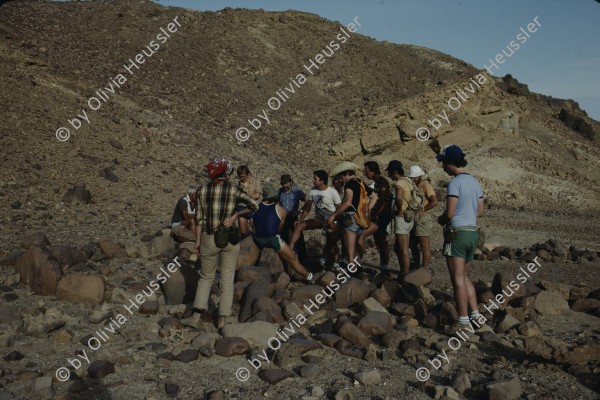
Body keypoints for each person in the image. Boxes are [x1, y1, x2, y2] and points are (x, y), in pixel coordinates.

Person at [192, 157, 258, 329]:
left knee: (206, 277)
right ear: (226, 172)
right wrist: (236, 216)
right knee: (227, 278)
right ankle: (222, 319)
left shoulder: (202, 190)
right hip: (229, 237)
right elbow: (254, 205)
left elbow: (198, 219)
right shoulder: (233, 189)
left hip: (208, 236)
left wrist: (197, 241)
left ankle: (196, 316)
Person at [435, 145, 485, 334]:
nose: (442, 167)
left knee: (456, 278)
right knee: (465, 276)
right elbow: (480, 211)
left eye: (443, 163)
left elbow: (449, 213)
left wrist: (441, 220)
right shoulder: (475, 182)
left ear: (450, 163)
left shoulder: (455, 183)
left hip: (457, 232)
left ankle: (463, 321)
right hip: (473, 232)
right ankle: (476, 316)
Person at [252, 182, 314, 281]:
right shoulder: (280, 210)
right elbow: (279, 230)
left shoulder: (256, 206)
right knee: (293, 259)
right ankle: (309, 276)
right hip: (272, 238)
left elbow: (253, 223)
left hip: (258, 239)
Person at [327, 162, 377, 267]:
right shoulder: (361, 182)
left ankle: (351, 274)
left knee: (350, 249)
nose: (341, 180)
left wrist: (334, 215)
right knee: (356, 244)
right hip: (361, 217)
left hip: (350, 217)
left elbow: (348, 202)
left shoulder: (349, 184)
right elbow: (374, 197)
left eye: (341, 177)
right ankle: (357, 268)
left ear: (347, 174)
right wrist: (366, 210)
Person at [290, 170, 342, 270]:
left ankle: (336, 263)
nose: (313, 180)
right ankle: (290, 249)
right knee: (299, 226)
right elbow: (308, 207)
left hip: (330, 219)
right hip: (319, 218)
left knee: (331, 240)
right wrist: (301, 219)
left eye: (315, 178)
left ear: (322, 180)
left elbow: (340, 208)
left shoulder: (332, 192)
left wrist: (335, 221)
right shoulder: (313, 190)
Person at [364, 161, 393, 273]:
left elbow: (383, 201)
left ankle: (385, 267)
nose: (366, 174)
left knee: (381, 240)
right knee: (378, 240)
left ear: (373, 171)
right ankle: (383, 266)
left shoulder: (382, 182)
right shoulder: (376, 182)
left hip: (382, 215)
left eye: (367, 171)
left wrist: (375, 214)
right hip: (378, 215)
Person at [408, 165, 439, 269]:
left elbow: (434, 201)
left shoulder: (425, 185)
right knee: (412, 244)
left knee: (424, 245)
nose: (413, 179)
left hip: (423, 218)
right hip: (413, 217)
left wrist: (422, 210)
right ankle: (417, 266)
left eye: (414, 177)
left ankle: (424, 269)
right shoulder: (412, 185)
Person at [385, 160, 414, 273]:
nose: (389, 175)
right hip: (410, 216)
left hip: (402, 217)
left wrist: (399, 211)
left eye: (390, 172)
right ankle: (405, 270)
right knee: (399, 247)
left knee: (403, 249)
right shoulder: (408, 180)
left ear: (395, 171)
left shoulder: (399, 184)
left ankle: (405, 274)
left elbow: (398, 198)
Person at [278, 174, 307, 261]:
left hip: (293, 217)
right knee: (284, 237)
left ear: (291, 182)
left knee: (299, 237)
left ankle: (303, 259)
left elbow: (307, 202)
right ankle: (286, 257)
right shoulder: (279, 192)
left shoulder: (297, 191)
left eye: (286, 183)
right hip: (284, 217)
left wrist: (299, 211)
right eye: (283, 184)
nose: (285, 186)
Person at [236, 165, 262, 235]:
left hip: (252, 208)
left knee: (256, 231)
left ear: (248, 174)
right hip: (242, 208)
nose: (241, 178)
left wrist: (245, 196)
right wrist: (250, 196)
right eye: (240, 176)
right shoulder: (239, 185)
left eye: (243, 176)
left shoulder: (256, 182)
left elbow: (257, 195)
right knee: (243, 234)